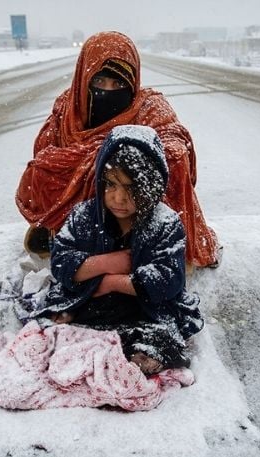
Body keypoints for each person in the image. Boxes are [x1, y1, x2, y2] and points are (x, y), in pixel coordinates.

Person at [16, 31, 220, 268]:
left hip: (137, 216)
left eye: (119, 83)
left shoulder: (149, 106)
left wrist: (120, 159)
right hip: (81, 221)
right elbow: (43, 158)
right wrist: (93, 161)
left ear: (132, 84)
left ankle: (142, 241)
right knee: (43, 170)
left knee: (154, 166)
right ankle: (68, 230)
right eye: (99, 82)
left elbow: (174, 144)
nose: (108, 91)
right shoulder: (68, 109)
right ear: (84, 79)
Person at [36, 125, 204, 375]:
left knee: (162, 340)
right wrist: (108, 263)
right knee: (50, 332)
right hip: (92, 302)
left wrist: (114, 283)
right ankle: (93, 342)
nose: (119, 198)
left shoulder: (166, 224)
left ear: (152, 186)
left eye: (132, 188)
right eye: (111, 185)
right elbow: (61, 264)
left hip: (145, 308)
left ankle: (134, 352)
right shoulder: (83, 217)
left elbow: (169, 280)